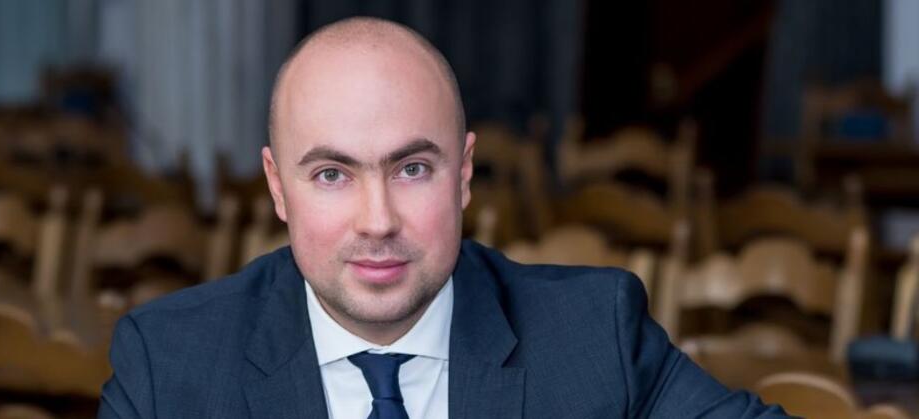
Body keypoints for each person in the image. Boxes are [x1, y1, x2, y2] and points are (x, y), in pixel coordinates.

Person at [98, 17, 788, 419]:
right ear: (279, 188)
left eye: (412, 169)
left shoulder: (594, 337)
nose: (378, 221)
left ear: (463, 175)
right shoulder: (168, 367)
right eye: (333, 174)